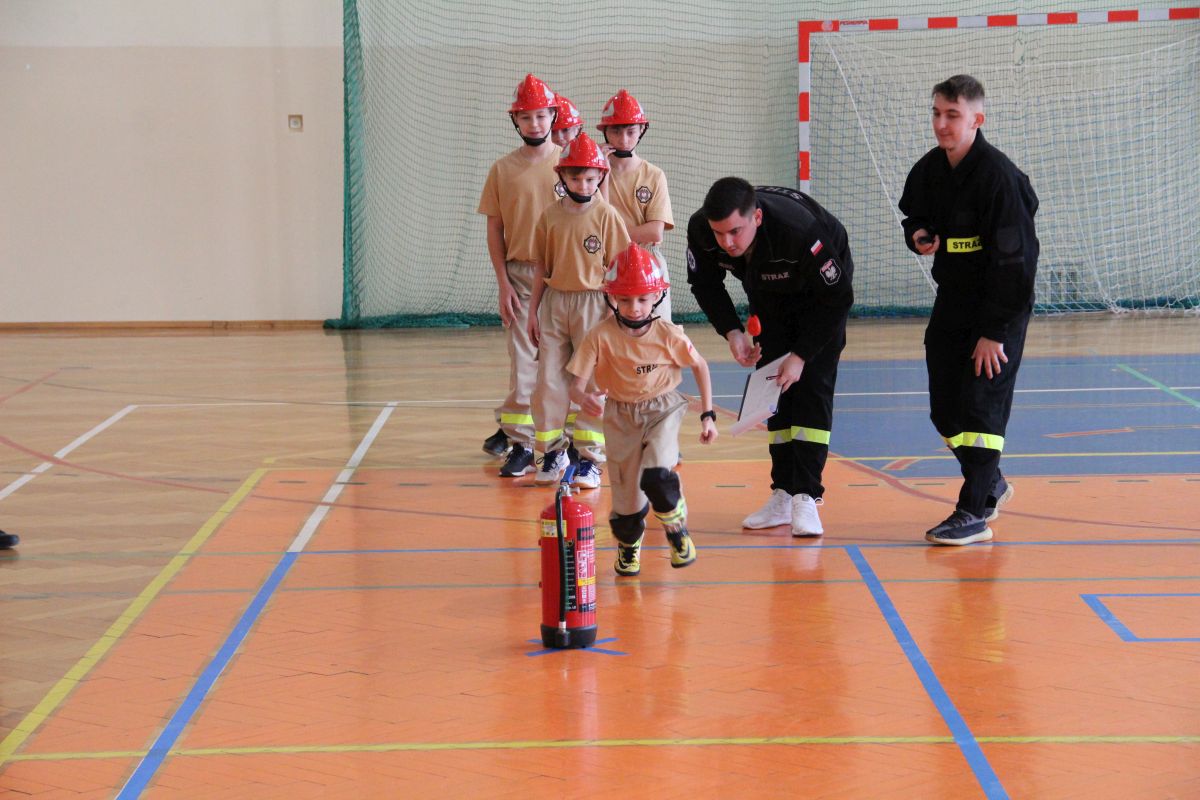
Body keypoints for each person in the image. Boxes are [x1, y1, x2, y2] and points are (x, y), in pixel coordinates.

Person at [899, 74, 1037, 546]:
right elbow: (915, 215)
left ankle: (974, 511)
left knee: (981, 407)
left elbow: (1018, 265)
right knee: (945, 411)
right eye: (937, 113)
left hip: (999, 307)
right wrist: (918, 235)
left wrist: (995, 332)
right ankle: (990, 481)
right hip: (953, 300)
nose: (942, 124)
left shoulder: (1000, 179)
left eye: (952, 115)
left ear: (977, 119)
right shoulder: (930, 169)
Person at [687, 178, 853, 537]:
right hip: (769, 290)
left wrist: (802, 355)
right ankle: (783, 493)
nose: (727, 243)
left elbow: (839, 298)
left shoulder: (799, 230)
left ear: (757, 218)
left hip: (821, 296)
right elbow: (704, 284)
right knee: (774, 388)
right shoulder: (701, 230)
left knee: (811, 388)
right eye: (719, 234)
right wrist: (732, 331)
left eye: (735, 231)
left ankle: (806, 496)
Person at [567, 243, 716, 574]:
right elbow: (576, 384)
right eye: (625, 300)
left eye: (642, 299)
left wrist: (708, 415)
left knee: (657, 476)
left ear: (656, 297)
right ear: (612, 298)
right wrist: (582, 396)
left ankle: (677, 530)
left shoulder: (668, 334)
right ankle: (628, 545)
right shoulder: (599, 336)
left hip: (662, 409)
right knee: (626, 505)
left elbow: (700, 365)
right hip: (620, 415)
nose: (634, 308)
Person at [528, 132, 631, 489]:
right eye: (575, 178)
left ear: (601, 176)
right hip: (555, 303)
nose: (583, 184)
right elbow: (541, 267)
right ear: (562, 176)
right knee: (549, 381)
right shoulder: (549, 217)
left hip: (594, 304)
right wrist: (533, 311)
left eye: (590, 178)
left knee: (592, 383)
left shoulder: (607, 216)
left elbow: (620, 269)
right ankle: (552, 452)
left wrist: (614, 313)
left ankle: (589, 459)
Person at [477, 74, 561, 477]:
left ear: (552, 116)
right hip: (522, 278)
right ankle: (522, 445)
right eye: (526, 117)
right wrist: (503, 283)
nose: (534, 123)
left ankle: (562, 448)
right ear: (516, 121)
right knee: (524, 366)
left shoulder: (571, 164)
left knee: (561, 367)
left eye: (541, 115)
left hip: (563, 279)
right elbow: (495, 228)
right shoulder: (502, 169)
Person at [596, 89, 675, 321]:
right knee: (609, 332)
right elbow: (598, 222)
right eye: (616, 131)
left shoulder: (654, 175)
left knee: (657, 330)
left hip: (647, 260)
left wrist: (613, 235)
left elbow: (654, 231)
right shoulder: (591, 175)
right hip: (608, 262)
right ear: (605, 132)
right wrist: (603, 175)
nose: (623, 139)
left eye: (630, 131)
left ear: (641, 130)